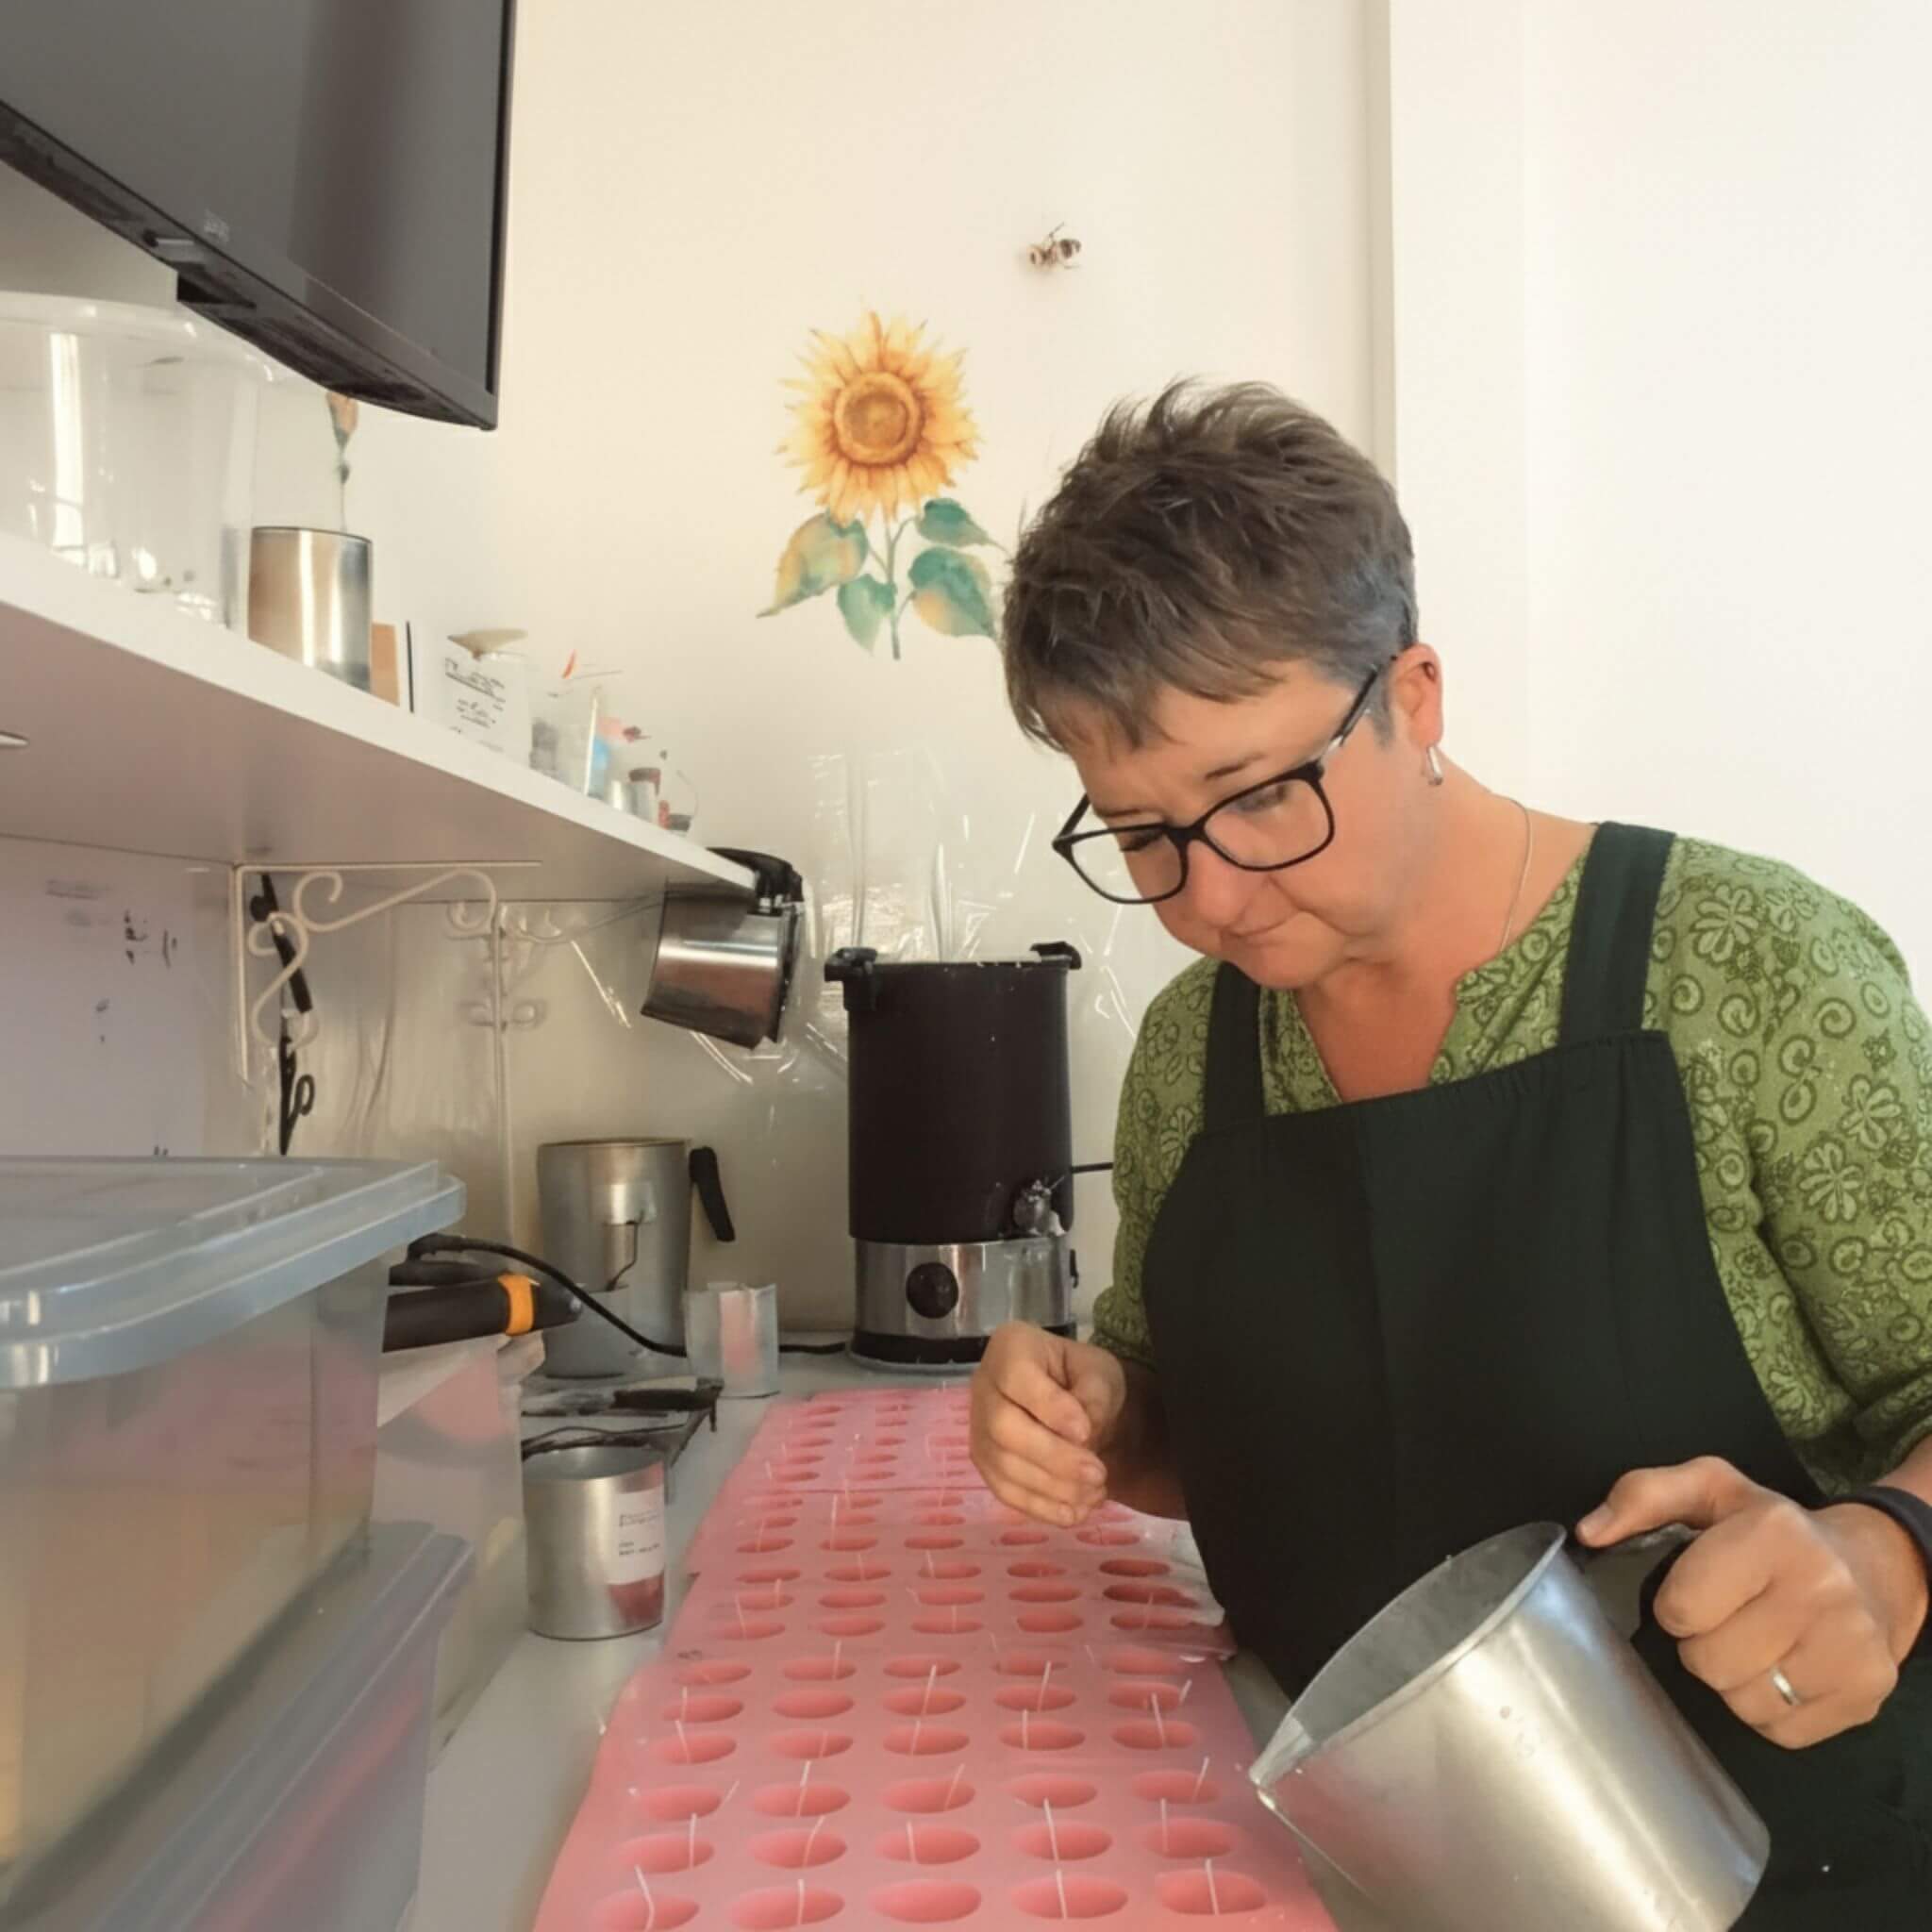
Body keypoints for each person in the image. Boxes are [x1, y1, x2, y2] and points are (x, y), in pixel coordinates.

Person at [969, 382, 1932, 1920]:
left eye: (1259, 796)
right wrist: (1093, 1419)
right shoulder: (1189, 1060)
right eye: (1140, 833)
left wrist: (1887, 1547)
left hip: (1779, 1864)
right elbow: (1178, 1442)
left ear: (1414, 697)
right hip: (1348, 1877)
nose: (1206, 901)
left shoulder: (1749, 975)